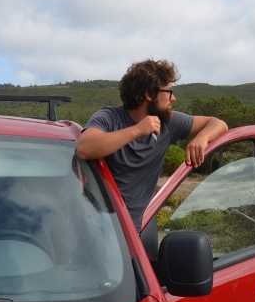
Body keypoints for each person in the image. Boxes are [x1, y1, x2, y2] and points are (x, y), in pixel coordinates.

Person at [76, 59, 228, 231]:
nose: (173, 98)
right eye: (169, 91)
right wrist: (137, 130)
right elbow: (84, 148)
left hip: (130, 229)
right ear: (149, 94)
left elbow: (219, 123)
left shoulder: (168, 123)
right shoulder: (109, 118)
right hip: (90, 222)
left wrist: (202, 137)